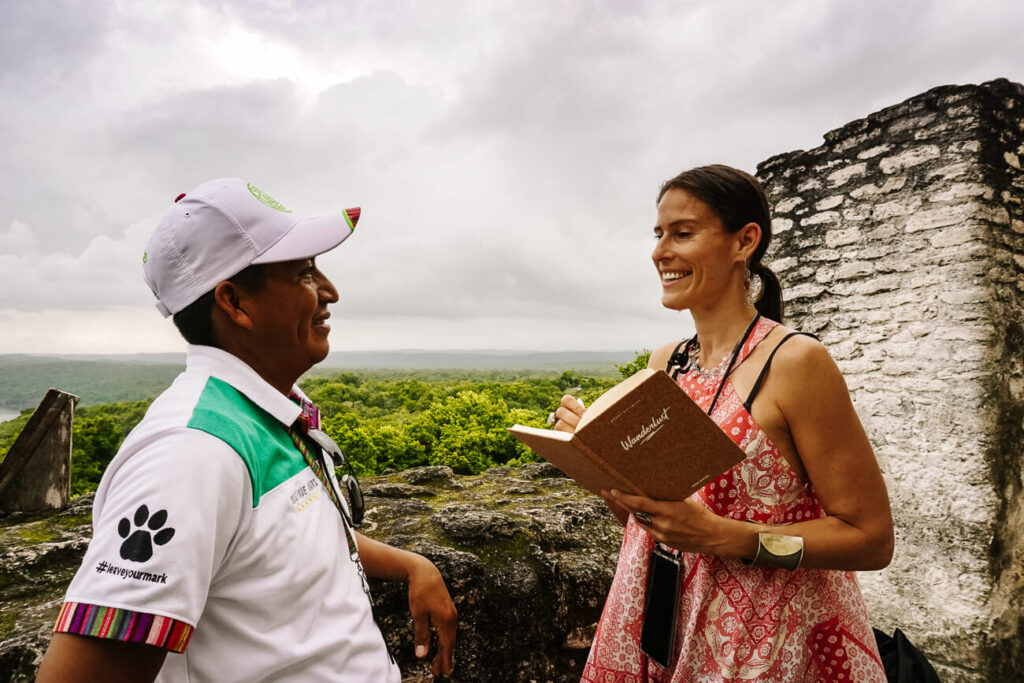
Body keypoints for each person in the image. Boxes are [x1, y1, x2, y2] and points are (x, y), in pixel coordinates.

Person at [36, 178, 457, 682]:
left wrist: (410, 564)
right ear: (235, 303)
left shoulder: (262, 411)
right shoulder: (192, 455)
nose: (330, 292)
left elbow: (285, 538)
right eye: (304, 272)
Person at [552, 165, 894, 682]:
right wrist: (604, 470)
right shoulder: (667, 362)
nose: (660, 252)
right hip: (661, 618)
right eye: (658, 234)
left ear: (745, 241)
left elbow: (870, 538)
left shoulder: (796, 362)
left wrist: (730, 537)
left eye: (683, 233)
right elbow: (657, 522)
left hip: (763, 636)